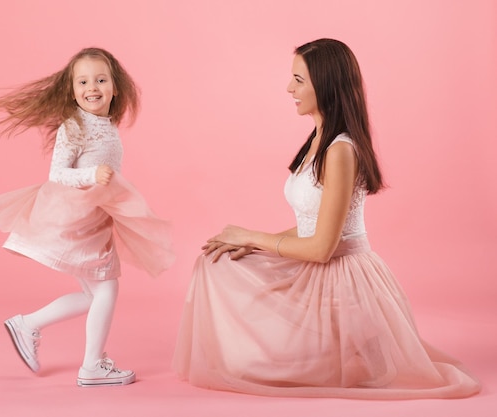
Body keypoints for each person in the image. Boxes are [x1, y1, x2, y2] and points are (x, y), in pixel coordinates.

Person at [173, 38, 480, 399]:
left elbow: (322, 248)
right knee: (216, 263)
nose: (289, 88)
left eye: (299, 80)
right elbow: (312, 224)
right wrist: (249, 243)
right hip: (321, 269)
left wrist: (252, 235)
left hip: (342, 280)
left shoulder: (340, 150)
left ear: (327, 83)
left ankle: (350, 346)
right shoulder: (318, 139)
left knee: (272, 365)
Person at [0, 47, 174, 387]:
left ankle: (28, 324)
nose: (91, 87)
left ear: (115, 88)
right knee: (107, 289)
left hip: (93, 219)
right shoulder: (75, 126)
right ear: (71, 89)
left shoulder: (106, 124)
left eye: (100, 79)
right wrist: (91, 174)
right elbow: (58, 175)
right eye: (82, 81)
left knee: (93, 294)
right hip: (77, 218)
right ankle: (92, 366)